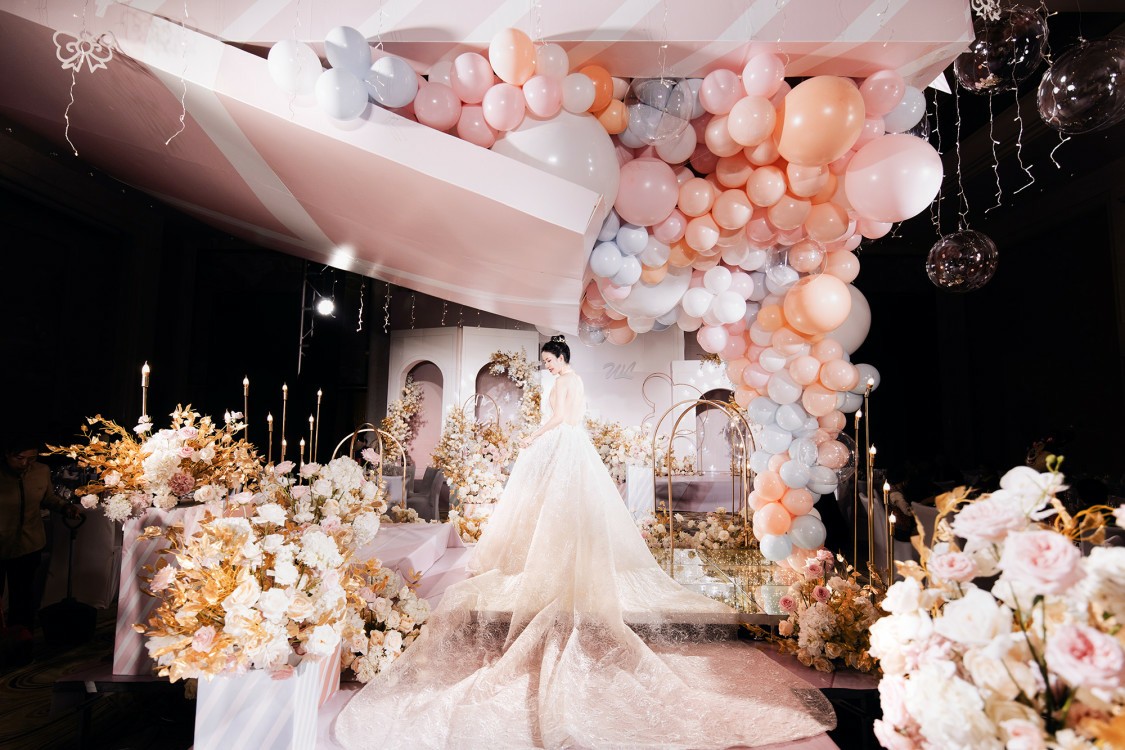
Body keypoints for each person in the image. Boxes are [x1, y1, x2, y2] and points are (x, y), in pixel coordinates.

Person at [334, 336, 834, 749]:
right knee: (563, 508)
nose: (548, 367)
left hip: (560, 442)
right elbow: (571, 417)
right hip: (573, 446)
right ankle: (557, 555)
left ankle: (552, 560)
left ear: (561, 358)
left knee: (551, 505)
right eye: (546, 362)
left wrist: (534, 437)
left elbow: (560, 419)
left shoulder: (563, 384)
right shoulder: (573, 381)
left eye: (549, 360)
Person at [1, 435, 81, 654]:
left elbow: (48, 498)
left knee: (23, 598)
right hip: (2, 543)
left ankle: (22, 646)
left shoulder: (41, 471)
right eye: (19, 458)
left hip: (29, 544)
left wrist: (65, 507)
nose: (25, 463)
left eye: (31, 458)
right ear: (7, 455)